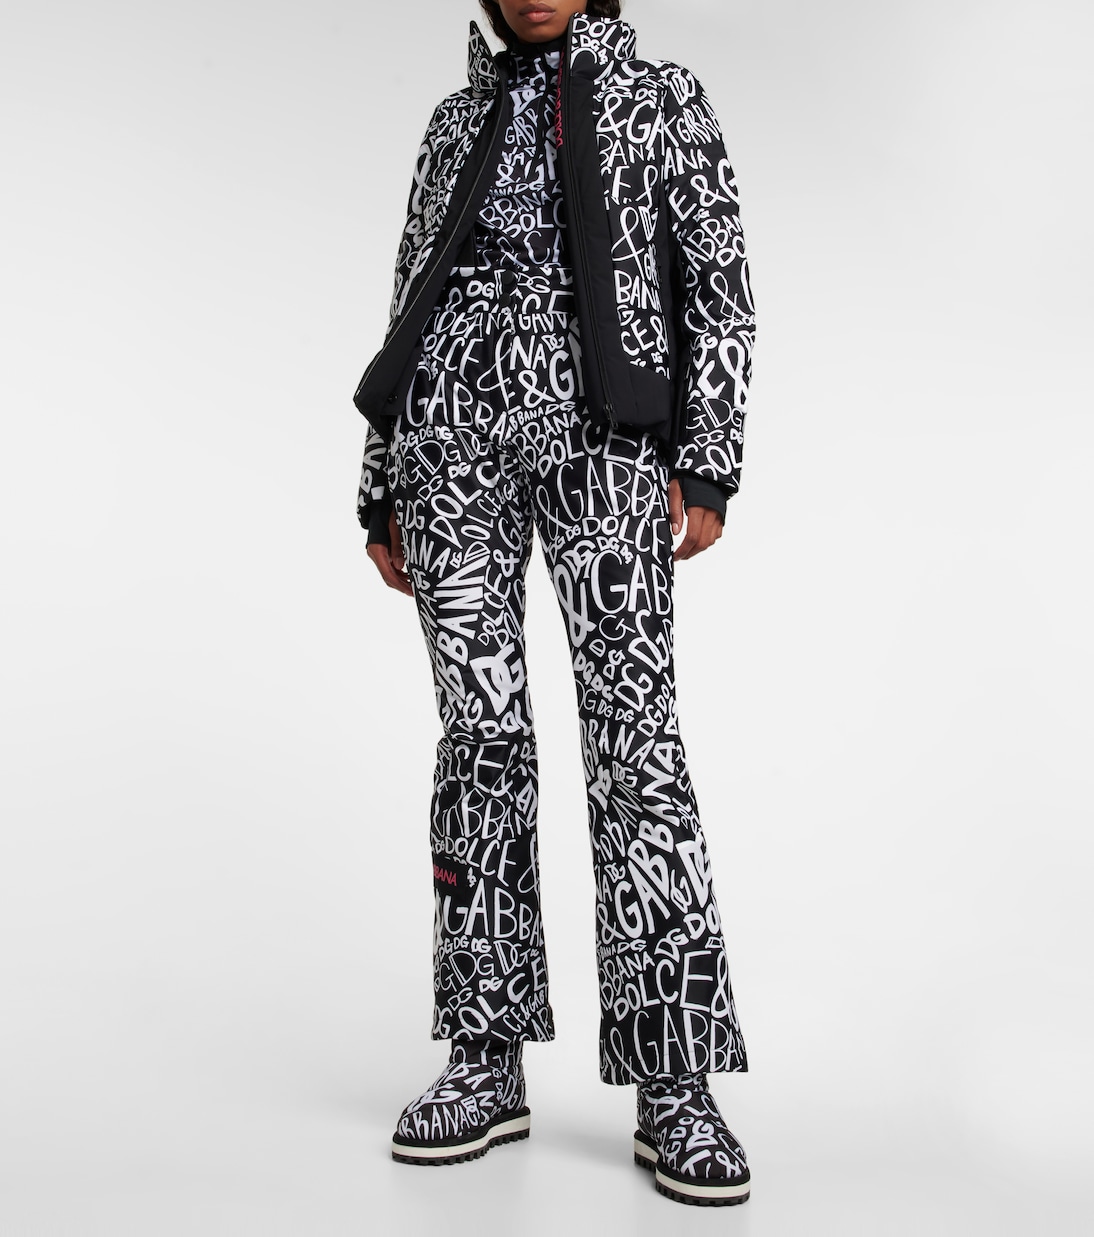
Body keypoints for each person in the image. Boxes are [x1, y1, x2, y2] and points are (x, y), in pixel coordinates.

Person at [353, 0, 755, 1207]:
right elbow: (409, 298)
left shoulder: (662, 98)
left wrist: (708, 460)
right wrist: (380, 483)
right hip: (448, 447)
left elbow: (718, 284)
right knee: (477, 740)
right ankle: (483, 1055)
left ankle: (673, 1078)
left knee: (635, 742)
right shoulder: (450, 121)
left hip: (607, 441)